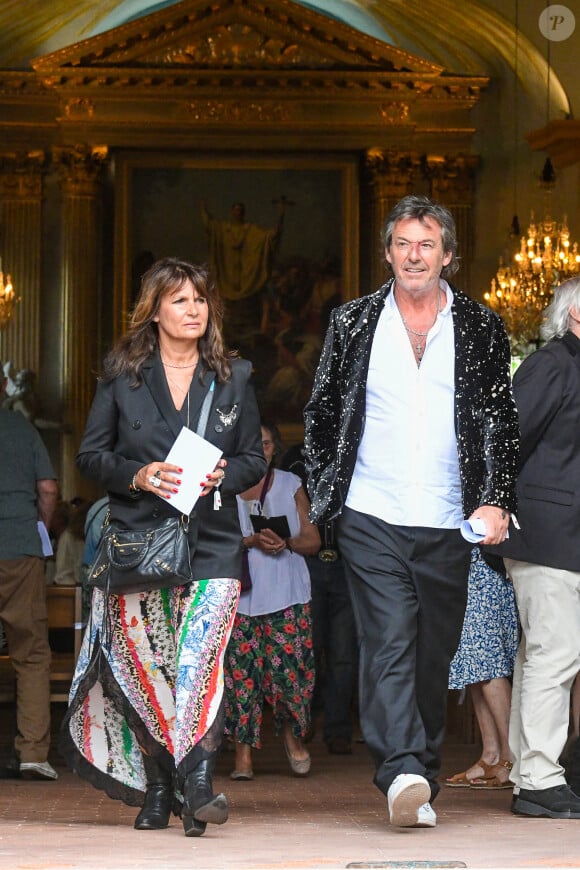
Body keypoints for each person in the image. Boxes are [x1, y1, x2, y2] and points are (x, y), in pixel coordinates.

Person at [304, 194, 520, 829]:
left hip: (451, 517)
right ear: (388, 253)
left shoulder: (481, 327)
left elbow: (500, 421)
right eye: (403, 243)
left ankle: (417, 779)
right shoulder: (352, 323)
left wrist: (496, 497)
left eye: (427, 244)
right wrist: (330, 499)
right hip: (371, 510)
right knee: (389, 637)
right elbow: (321, 415)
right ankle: (399, 767)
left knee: (434, 652)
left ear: (447, 256)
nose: (414, 255)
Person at [59, 258, 266, 837]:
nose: (193, 310)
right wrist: (140, 474)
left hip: (215, 543)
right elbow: (90, 456)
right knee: (149, 665)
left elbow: (255, 458)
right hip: (140, 543)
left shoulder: (234, 377)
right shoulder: (122, 377)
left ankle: (197, 782)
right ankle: (159, 785)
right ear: (154, 311)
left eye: (200, 299)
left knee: (199, 659)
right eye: (180, 300)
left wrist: (226, 472)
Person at [492, 277, 580, 819]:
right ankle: (540, 777)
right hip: (548, 533)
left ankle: (532, 772)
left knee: (542, 656)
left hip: (563, 536)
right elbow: (507, 437)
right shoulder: (553, 363)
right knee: (557, 654)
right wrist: (496, 507)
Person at [224, 420, 320, 780]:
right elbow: (207, 543)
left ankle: (293, 740)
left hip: (287, 595)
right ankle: (243, 758)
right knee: (240, 678)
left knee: (291, 674)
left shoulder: (290, 484)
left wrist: (286, 542)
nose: (260, 451)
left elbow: (313, 541)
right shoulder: (223, 487)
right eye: (253, 444)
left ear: (274, 449)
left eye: (265, 444)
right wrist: (249, 542)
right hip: (240, 598)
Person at [0, 365, 59, 780]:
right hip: (19, 547)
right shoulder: (21, 429)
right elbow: (49, 489)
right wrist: (39, 524)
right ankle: (33, 754)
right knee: (31, 651)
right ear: (3, 386)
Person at [281, 441, 357, 755]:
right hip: (306, 564)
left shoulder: (354, 450)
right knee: (306, 648)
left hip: (346, 562)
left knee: (343, 653)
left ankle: (338, 729)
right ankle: (303, 724)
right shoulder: (294, 459)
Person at [445, 548, 519, 789]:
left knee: (489, 661)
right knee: (474, 666)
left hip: (486, 563)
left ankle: (512, 757)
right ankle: (491, 755)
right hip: (464, 563)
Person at [201, 199, 285, 344]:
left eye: (240, 210)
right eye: (236, 210)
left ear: (243, 213)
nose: (238, 213)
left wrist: (281, 215)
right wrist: (203, 208)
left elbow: (269, 237)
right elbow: (210, 224)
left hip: (246, 280)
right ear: (232, 212)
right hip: (227, 281)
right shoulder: (223, 229)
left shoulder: (251, 230)